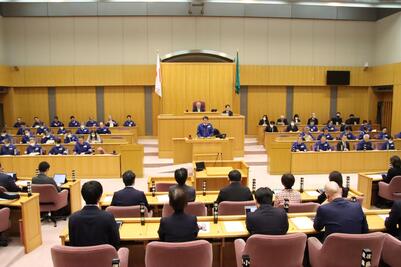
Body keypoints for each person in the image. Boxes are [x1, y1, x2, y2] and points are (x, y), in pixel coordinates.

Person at [69, 181, 120, 249]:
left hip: (81, 258)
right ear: (100, 196)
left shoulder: (73, 218)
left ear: (83, 196)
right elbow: (116, 242)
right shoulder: (108, 217)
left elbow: (72, 244)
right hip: (103, 258)